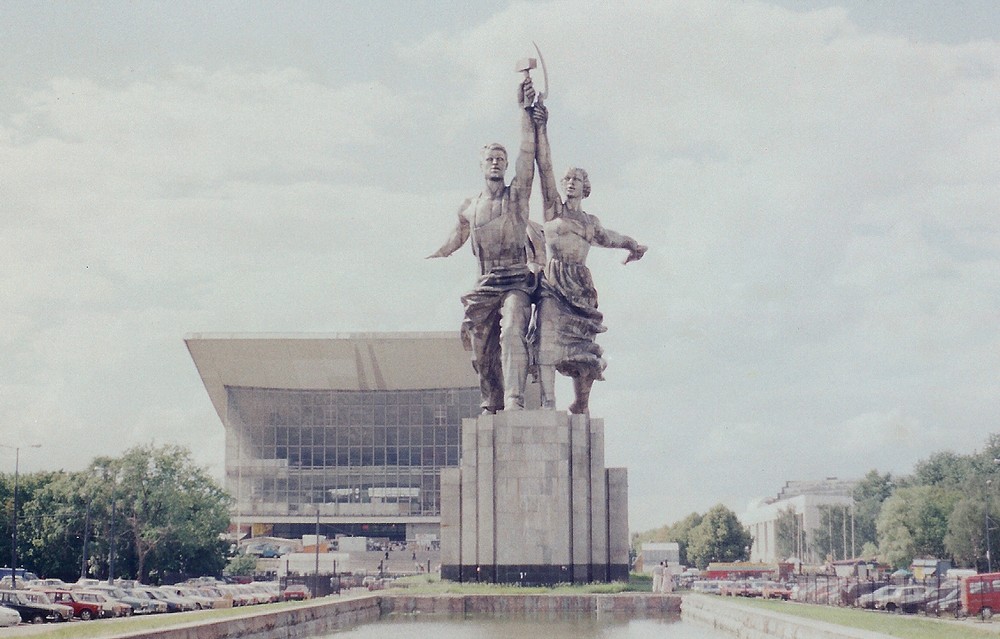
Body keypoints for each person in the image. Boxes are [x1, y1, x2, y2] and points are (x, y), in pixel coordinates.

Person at [428, 76, 542, 414]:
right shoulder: (469, 206)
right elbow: (459, 234)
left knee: (511, 333)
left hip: (515, 281)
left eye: (500, 159)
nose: (496, 162)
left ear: (506, 166)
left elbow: (527, 153)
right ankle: (492, 397)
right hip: (485, 283)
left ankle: (513, 399)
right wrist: (442, 251)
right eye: (490, 158)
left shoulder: (517, 197)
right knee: (481, 350)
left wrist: (524, 111)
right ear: (481, 165)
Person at [531, 104, 646, 413]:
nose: (569, 183)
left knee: (584, 351)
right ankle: (548, 401)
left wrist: (632, 245)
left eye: (575, 180)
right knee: (546, 340)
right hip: (553, 283)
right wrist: (541, 128)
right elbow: (545, 166)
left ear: (585, 187)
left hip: (580, 285)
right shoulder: (553, 208)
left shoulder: (590, 222)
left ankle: (581, 403)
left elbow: (610, 237)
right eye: (567, 179)